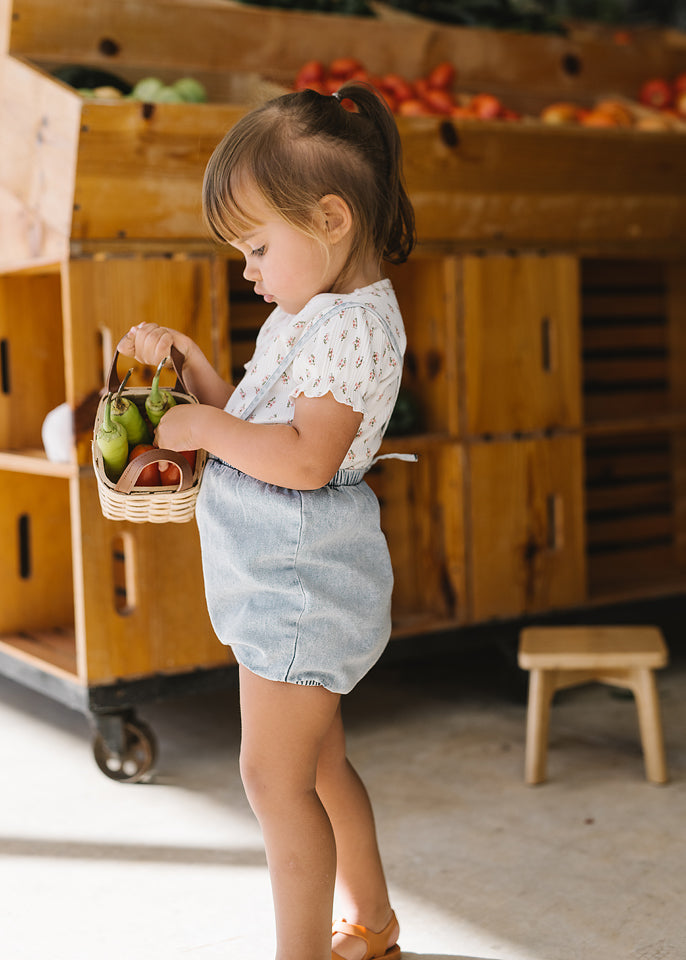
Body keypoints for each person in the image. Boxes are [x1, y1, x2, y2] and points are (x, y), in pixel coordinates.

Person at [118, 82, 415, 960]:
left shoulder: (353, 329)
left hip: (299, 588)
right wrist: (202, 375)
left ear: (330, 219)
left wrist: (202, 427)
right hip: (285, 582)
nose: (246, 269)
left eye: (255, 245)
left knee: (270, 779)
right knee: (319, 768)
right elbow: (264, 424)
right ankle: (372, 924)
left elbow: (304, 460)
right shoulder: (309, 314)